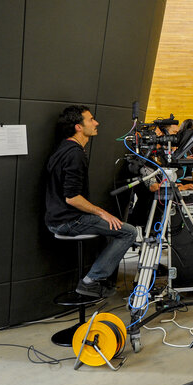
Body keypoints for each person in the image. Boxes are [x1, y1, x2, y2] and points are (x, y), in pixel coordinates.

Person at [45, 105, 137, 298]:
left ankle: (101, 280)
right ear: (79, 127)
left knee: (112, 230)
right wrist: (102, 212)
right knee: (129, 232)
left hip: (58, 218)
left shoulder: (65, 147)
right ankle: (91, 281)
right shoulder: (75, 154)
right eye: (91, 120)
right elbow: (72, 198)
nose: (96, 123)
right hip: (69, 221)